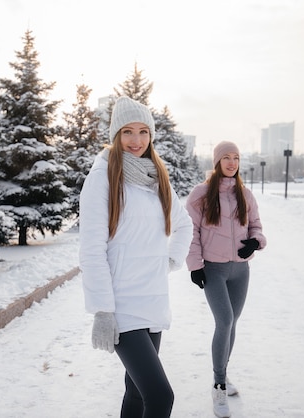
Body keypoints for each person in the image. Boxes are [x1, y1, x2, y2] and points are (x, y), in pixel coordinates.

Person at [79, 96, 193, 418]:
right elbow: (91, 250)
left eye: (144, 132)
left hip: (153, 301)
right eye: (128, 132)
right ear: (116, 135)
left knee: (137, 394)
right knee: (161, 397)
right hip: (122, 307)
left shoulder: (156, 178)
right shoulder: (102, 178)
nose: (136, 141)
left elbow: (184, 225)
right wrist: (103, 310)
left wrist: (170, 260)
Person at [185, 141, 267, 418]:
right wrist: (195, 266)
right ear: (217, 161)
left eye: (236, 158)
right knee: (224, 321)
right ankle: (218, 384)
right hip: (214, 270)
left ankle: (223, 373)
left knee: (233, 322)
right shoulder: (201, 194)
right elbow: (190, 232)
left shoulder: (245, 194)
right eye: (226, 158)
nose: (232, 162)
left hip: (240, 271)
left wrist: (255, 242)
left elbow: (256, 226)